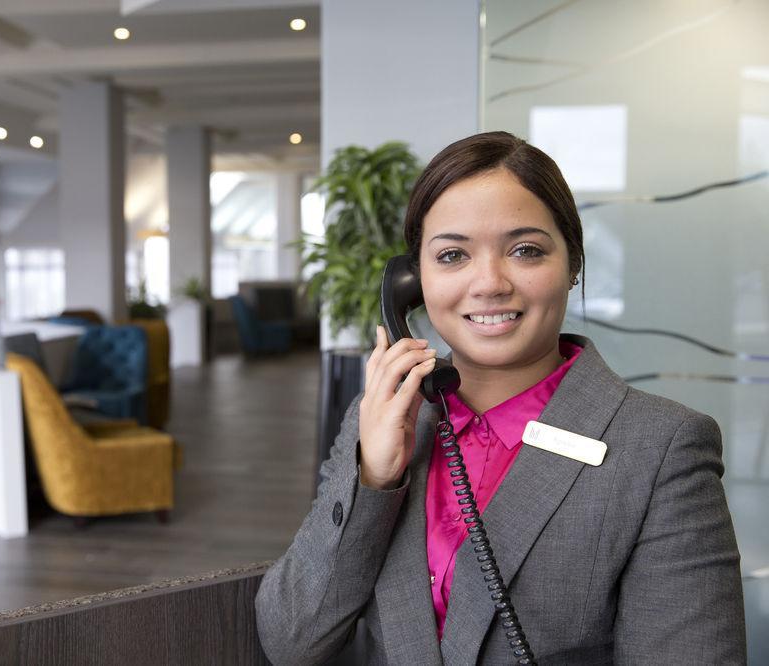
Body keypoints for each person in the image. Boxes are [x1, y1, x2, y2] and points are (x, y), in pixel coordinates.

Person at [254, 132, 746, 665]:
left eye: (525, 250)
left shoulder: (661, 448)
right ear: (412, 281)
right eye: (452, 255)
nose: (488, 282)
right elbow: (292, 642)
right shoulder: (383, 420)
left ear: (572, 263)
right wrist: (374, 478)